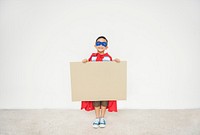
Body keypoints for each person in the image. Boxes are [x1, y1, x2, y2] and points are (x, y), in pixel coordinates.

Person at [81, 36, 120, 128]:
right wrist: (85, 61)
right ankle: (97, 117)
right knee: (96, 100)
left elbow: (111, 68)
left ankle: (102, 117)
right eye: (98, 43)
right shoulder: (92, 57)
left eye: (103, 44)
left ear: (106, 47)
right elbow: (88, 66)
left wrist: (115, 61)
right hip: (95, 84)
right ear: (95, 45)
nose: (101, 45)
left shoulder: (108, 57)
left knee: (104, 100)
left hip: (105, 84)